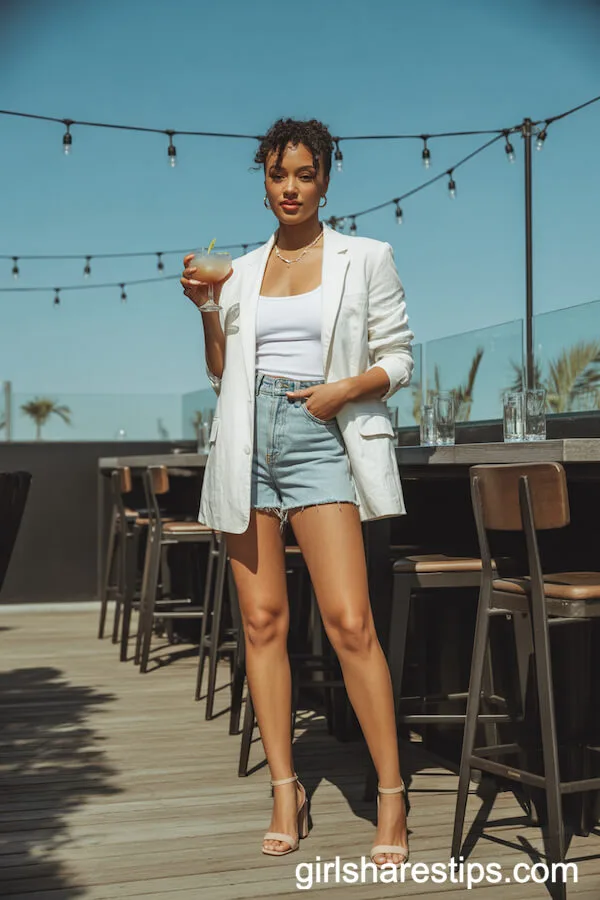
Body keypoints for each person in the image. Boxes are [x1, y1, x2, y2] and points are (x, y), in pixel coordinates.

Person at [181, 118, 414, 866]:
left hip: (319, 436)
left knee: (350, 623)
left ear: (325, 181)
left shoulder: (365, 257)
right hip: (246, 440)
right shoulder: (242, 271)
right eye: (278, 174)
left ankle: (391, 793)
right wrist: (207, 308)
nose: (290, 187)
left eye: (305, 174)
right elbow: (222, 373)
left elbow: (399, 359)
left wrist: (342, 390)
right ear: (264, 182)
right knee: (261, 623)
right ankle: (287, 790)